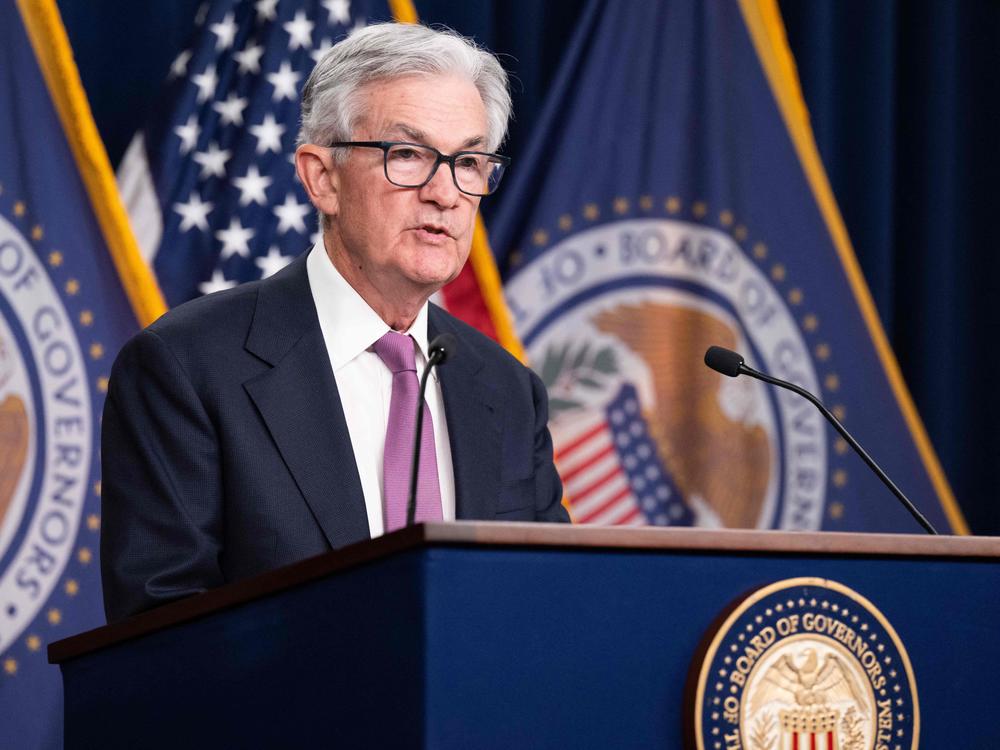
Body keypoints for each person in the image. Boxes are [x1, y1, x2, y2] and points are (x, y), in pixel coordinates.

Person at [100, 23, 569, 624]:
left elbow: (550, 605)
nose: (445, 193)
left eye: (469, 162)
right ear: (322, 177)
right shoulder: (186, 368)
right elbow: (161, 630)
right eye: (408, 155)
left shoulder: (507, 390)